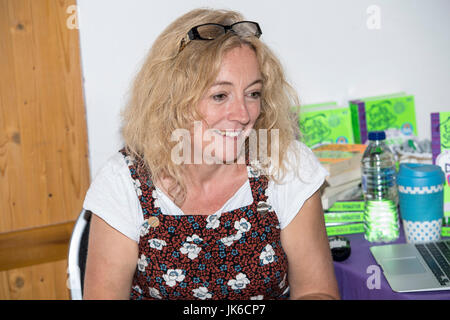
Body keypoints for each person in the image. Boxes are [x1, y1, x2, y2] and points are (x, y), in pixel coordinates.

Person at [82, 8, 340, 300]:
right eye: (220, 96)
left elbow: (317, 292)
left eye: (253, 94)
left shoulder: (285, 165)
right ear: (172, 100)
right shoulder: (124, 182)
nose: (243, 115)